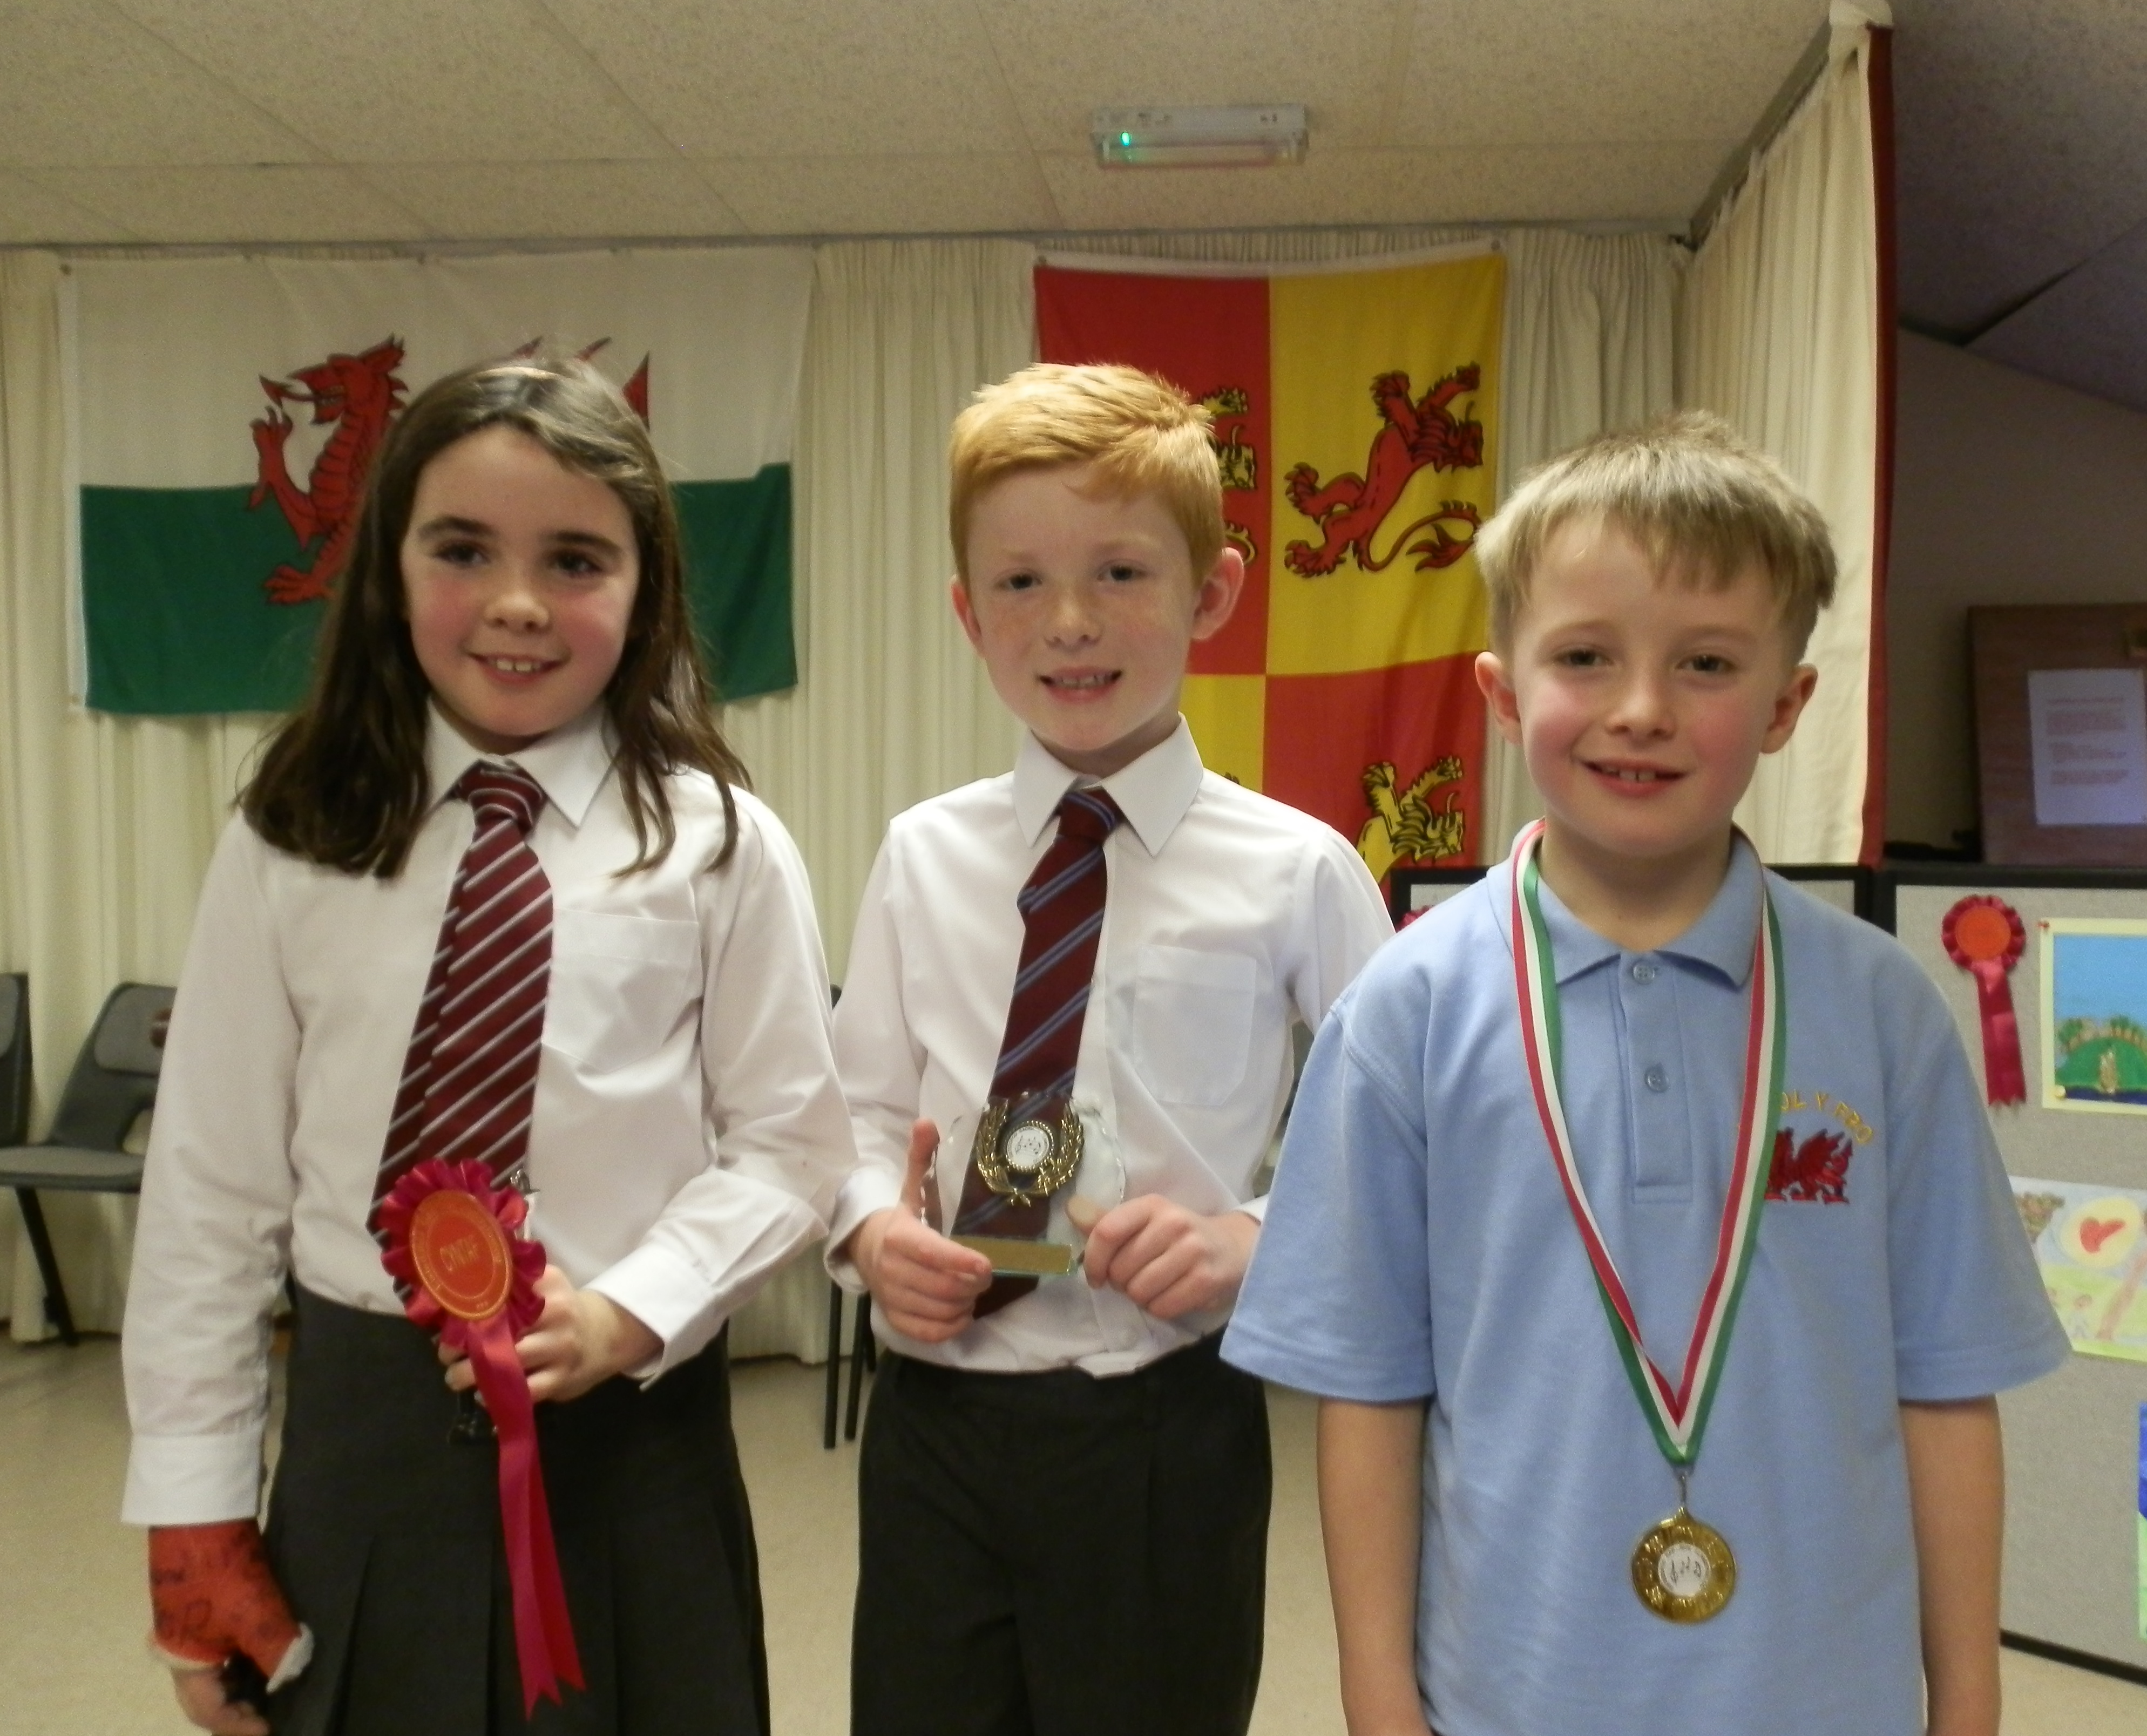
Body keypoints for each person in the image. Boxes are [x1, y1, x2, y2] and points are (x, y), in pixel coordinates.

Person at [1223, 412, 2068, 1736]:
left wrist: (1965, 1699)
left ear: (1784, 707)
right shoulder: (1404, 1009)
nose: (1639, 709)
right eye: (1584, 656)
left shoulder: (1881, 1011)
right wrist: (1378, 1700)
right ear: (1504, 694)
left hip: (1824, 1694)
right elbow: (1367, 1392)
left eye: (1705, 663)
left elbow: (1945, 1384)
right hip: (1512, 1689)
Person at [120, 354, 854, 1736]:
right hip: (362, 1454)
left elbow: (791, 1147)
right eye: (463, 550)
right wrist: (194, 1514)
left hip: (632, 1453)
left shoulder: (717, 843)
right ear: (390, 573)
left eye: (574, 559)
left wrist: (632, 1309)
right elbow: (212, 1194)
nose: (517, 603)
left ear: (644, 590)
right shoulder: (293, 836)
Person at [828, 362, 1393, 1736]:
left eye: (1121, 573)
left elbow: (1397, 1147)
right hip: (937, 1421)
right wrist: (865, 1231)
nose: (1069, 622)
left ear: (1211, 593)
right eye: (1019, 583)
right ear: (967, 614)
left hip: (1163, 1420)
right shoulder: (922, 856)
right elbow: (852, 1113)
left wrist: (1255, 1238)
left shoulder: (1298, 871)